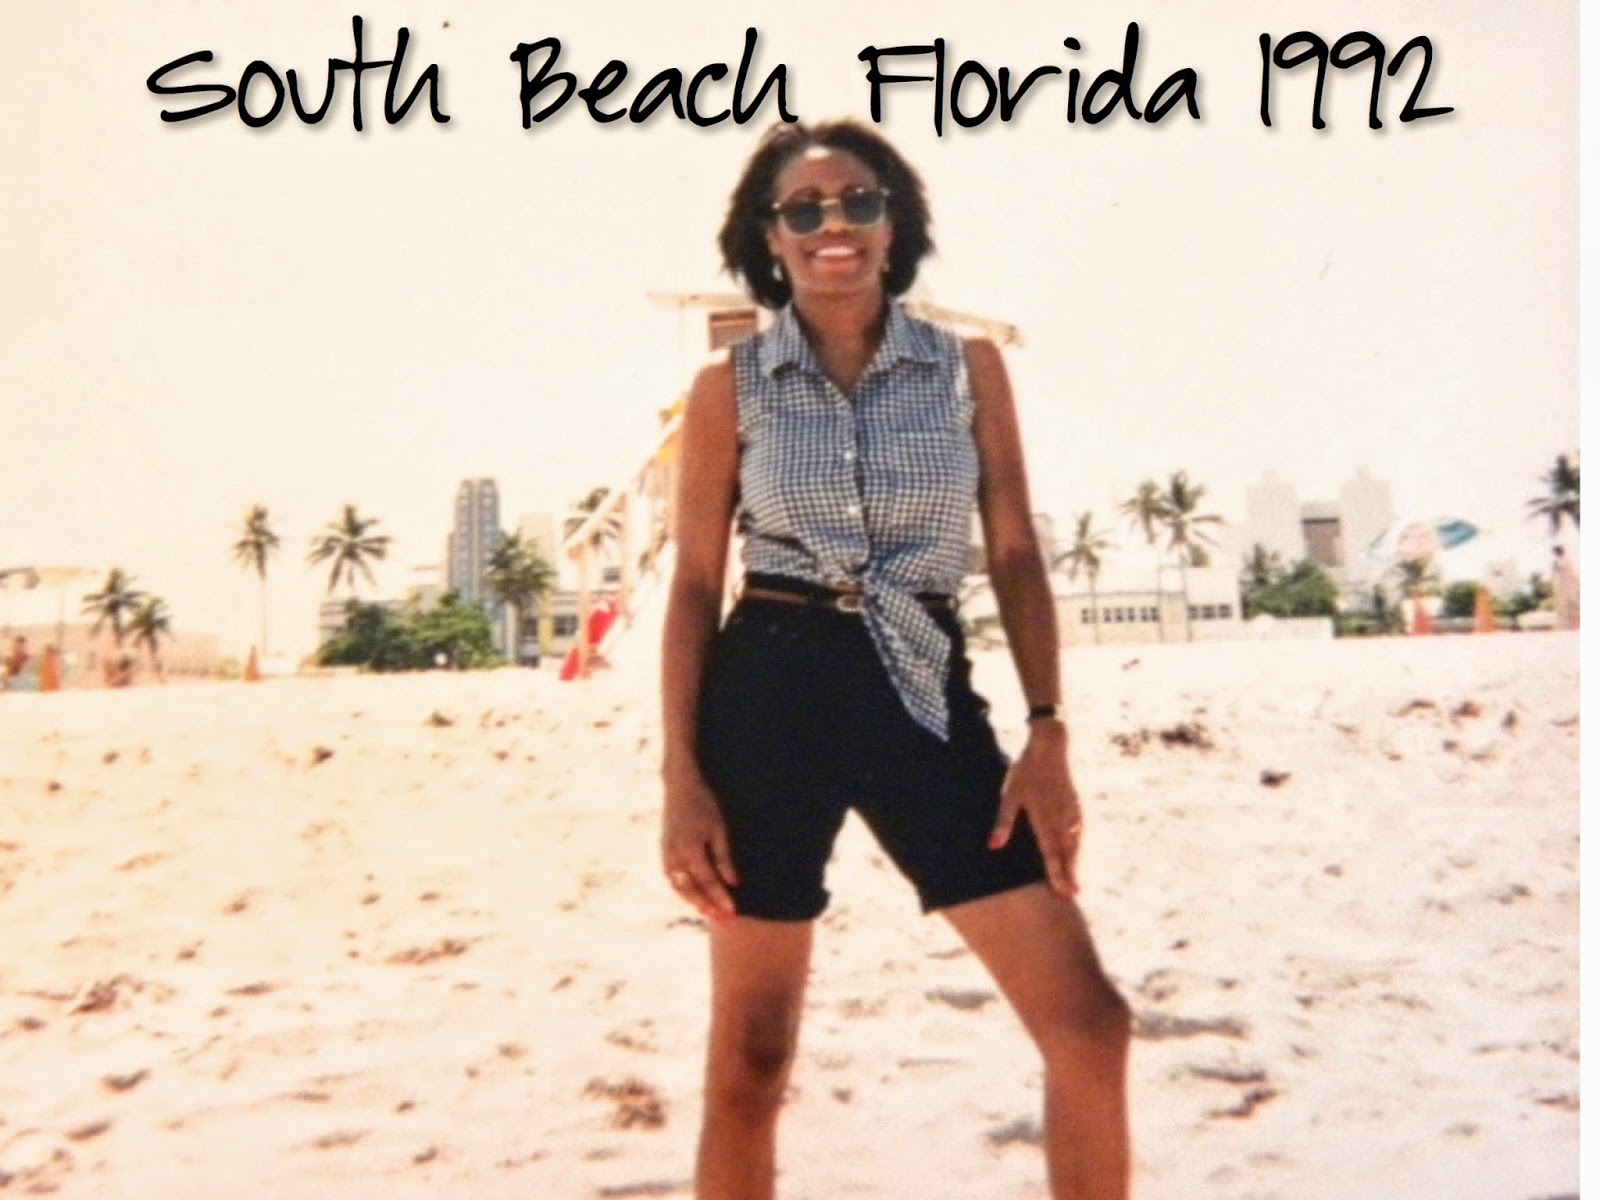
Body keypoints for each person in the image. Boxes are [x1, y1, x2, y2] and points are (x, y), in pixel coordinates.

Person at [659, 120, 1131, 1200]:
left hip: (923, 694)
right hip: (767, 690)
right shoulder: (729, 385)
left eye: (859, 201)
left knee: (1089, 1023)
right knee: (752, 1060)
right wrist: (680, 775)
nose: (833, 224)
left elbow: (1014, 551)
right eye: (804, 208)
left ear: (894, 225)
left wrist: (1047, 728)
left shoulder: (968, 370)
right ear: (769, 237)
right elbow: (691, 586)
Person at [1552, 544, 1580, 630]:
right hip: (1564, 584)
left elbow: (1564, 570)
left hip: (1570, 584)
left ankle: (1574, 624)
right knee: (1565, 604)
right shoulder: (1559, 561)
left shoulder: (1565, 560)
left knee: (1573, 602)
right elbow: (1556, 573)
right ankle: (1568, 624)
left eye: (1557, 551)